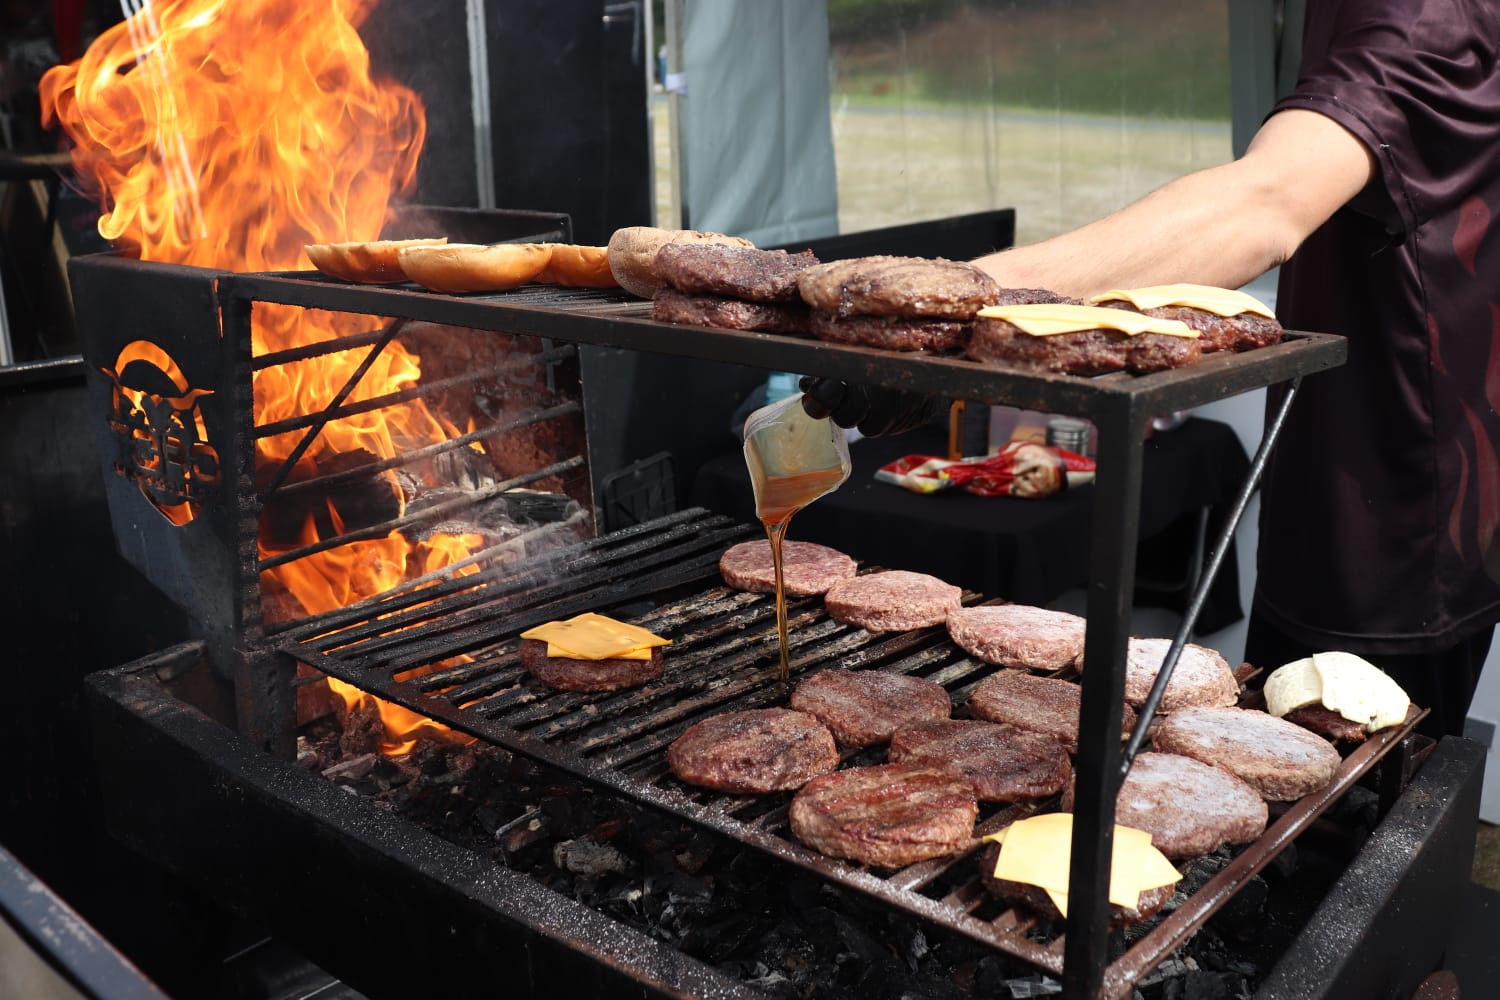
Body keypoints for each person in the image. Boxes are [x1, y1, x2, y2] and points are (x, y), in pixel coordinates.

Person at [805, 0, 1500, 738]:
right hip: (1350, 474)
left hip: (1400, 511)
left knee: (1346, 786)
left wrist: (944, 311)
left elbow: (1263, 203)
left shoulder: (1426, 13)